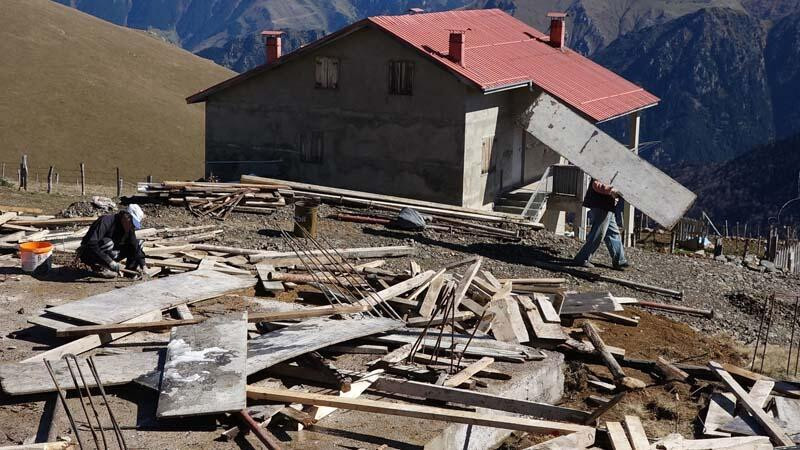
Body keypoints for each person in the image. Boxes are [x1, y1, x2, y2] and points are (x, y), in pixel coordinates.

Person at [78, 204, 147, 278]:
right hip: (90, 254)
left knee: (138, 244)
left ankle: (130, 273)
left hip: (110, 254)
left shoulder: (129, 227)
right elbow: (91, 244)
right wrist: (109, 262)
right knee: (107, 243)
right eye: (132, 223)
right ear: (125, 217)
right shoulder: (106, 221)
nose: (132, 227)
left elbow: (135, 245)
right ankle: (99, 268)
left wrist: (143, 265)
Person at [573, 179, 629, 270]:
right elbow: (596, 185)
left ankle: (620, 260)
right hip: (601, 205)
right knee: (598, 234)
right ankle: (581, 258)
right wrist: (611, 190)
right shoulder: (603, 169)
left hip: (607, 206)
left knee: (613, 233)